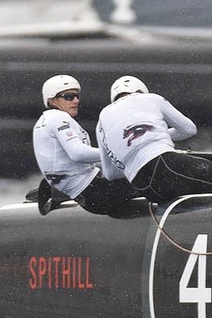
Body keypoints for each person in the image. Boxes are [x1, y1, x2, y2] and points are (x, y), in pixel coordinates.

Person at [96, 75, 212, 204]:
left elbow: (110, 174)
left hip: (144, 187)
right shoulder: (151, 98)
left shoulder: (100, 122)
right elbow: (189, 130)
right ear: (141, 91)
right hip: (164, 164)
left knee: (196, 186)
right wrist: (159, 134)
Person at [32, 74, 136, 215]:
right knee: (147, 178)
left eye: (77, 96)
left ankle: (57, 191)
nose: (76, 101)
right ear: (52, 100)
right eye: (68, 97)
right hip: (97, 196)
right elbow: (78, 154)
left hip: (87, 191)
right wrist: (114, 152)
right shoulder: (58, 118)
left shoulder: (44, 121)